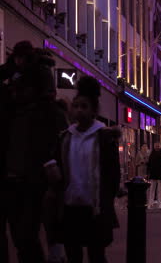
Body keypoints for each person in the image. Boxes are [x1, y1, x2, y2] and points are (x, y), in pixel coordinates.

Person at [1, 42, 68, 263]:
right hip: (15, 177)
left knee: (26, 236)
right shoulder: (12, 109)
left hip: (31, 179)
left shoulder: (42, 111)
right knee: (22, 237)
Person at [45, 76, 121, 263]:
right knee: (73, 255)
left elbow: (112, 174)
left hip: (94, 208)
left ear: (94, 110)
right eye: (76, 106)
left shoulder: (104, 138)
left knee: (96, 255)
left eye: (84, 106)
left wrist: (106, 201)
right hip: (70, 208)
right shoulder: (65, 137)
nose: (79, 110)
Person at [147, 142, 161, 209]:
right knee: (152, 189)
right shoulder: (152, 154)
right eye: (156, 146)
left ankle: (160, 204)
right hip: (153, 173)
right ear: (154, 146)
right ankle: (150, 203)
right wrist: (148, 173)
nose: (157, 147)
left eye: (158, 146)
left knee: (160, 189)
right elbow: (149, 164)